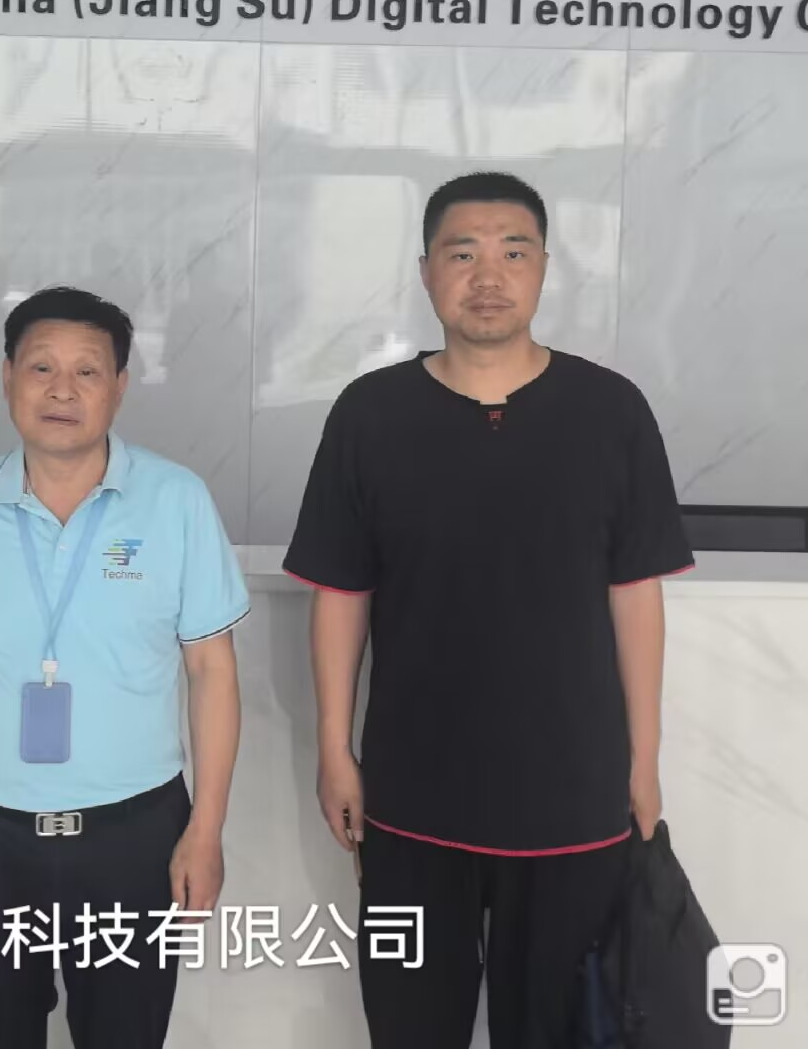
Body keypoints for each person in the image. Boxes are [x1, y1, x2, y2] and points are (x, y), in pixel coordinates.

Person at [288, 172, 692, 1048]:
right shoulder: (370, 414)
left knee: (557, 1029)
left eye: (513, 252)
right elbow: (342, 592)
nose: (488, 276)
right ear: (426, 272)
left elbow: (635, 594)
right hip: (411, 795)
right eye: (462, 253)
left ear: (545, 268)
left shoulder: (611, 411)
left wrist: (645, 758)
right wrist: (333, 747)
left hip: (572, 795)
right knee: (408, 1026)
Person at [0, 286, 248, 1049]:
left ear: (119, 387)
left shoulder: (176, 502)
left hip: (136, 835)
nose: (62, 390)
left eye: (87, 371)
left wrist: (206, 829)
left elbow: (212, 673)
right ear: (7, 378)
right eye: (41, 367)